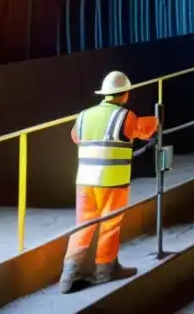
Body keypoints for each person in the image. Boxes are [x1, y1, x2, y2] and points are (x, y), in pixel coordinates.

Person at [59, 71, 159, 293]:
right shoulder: (125, 116)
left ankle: (68, 275)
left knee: (82, 226)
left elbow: (76, 137)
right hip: (112, 182)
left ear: (104, 94)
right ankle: (105, 270)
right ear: (124, 94)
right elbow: (143, 129)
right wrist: (157, 120)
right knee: (110, 226)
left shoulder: (84, 116)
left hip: (85, 181)